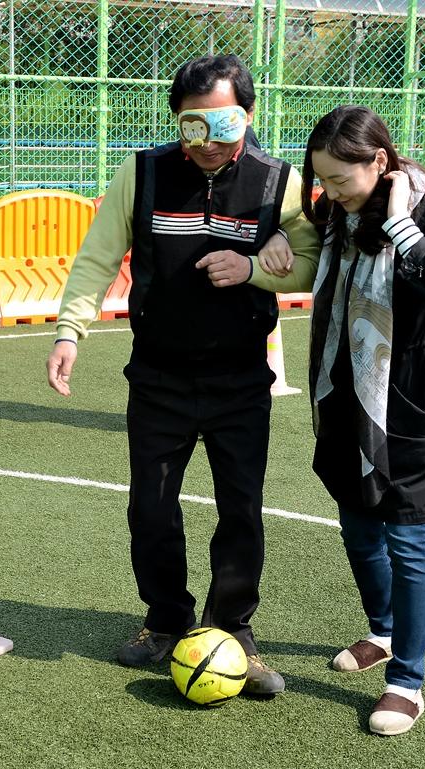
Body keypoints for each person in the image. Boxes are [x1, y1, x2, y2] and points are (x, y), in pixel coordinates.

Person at [45, 55, 321, 696]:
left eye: (221, 123)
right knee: (151, 508)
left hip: (240, 381)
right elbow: (96, 259)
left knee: (241, 511)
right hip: (159, 378)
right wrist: (69, 331)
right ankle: (165, 620)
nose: (205, 141)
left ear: (247, 116)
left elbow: (312, 262)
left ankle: (233, 631)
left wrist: (262, 264)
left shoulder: (276, 183)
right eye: (191, 125)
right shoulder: (141, 172)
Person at [249, 105, 425, 734]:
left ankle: (407, 680)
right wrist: (275, 235)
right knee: (356, 525)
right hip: (347, 391)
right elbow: (297, 220)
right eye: (324, 182)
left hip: (415, 399)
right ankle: (381, 628)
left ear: (379, 160)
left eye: (342, 180)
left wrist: (401, 227)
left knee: (407, 538)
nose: (333, 195)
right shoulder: (336, 210)